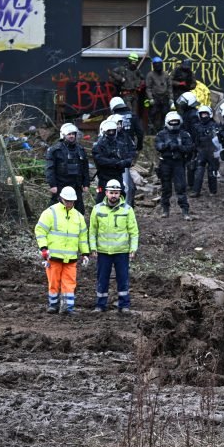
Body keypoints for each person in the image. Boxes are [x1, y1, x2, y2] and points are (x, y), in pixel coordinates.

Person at [35, 186, 90, 315]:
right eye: (67, 201)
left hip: (70, 258)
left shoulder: (78, 216)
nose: (70, 204)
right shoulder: (50, 212)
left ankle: (67, 308)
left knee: (69, 283)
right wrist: (43, 248)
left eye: (72, 201)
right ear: (61, 199)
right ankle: (53, 305)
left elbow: (82, 237)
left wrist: (85, 253)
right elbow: (40, 230)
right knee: (54, 282)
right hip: (53, 256)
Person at [90, 179, 139, 314]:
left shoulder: (127, 210)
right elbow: (92, 231)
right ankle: (100, 305)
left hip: (122, 251)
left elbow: (133, 231)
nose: (113, 195)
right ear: (106, 193)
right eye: (111, 192)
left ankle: (124, 305)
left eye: (116, 193)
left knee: (123, 279)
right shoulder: (97, 209)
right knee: (102, 279)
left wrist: (133, 249)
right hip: (103, 251)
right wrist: (93, 248)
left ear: (120, 194)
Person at [155, 111, 194, 220]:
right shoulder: (161, 134)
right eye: (171, 122)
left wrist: (178, 147)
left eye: (175, 122)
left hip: (178, 163)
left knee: (181, 187)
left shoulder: (184, 134)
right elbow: (158, 146)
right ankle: (165, 210)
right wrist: (167, 145)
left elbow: (190, 147)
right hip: (165, 163)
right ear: (167, 122)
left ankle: (185, 211)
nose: (173, 124)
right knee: (165, 188)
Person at [45, 123, 89, 215]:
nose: (72, 136)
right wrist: (52, 185)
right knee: (56, 211)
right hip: (61, 186)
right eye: (69, 134)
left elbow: (85, 168)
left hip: (76, 186)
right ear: (64, 135)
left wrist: (86, 184)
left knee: (79, 211)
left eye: (73, 134)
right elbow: (50, 168)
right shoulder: (55, 150)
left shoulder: (80, 150)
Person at [92, 118, 135, 204]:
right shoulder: (99, 145)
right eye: (109, 131)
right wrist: (115, 163)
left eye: (113, 131)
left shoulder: (120, 144)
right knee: (101, 198)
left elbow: (129, 157)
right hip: (104, 177)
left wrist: (123, 163)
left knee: (122, 194)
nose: (111, 133)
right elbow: (99, 160)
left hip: (118, 176)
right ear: (104, 132)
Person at [189, 105, 220, 197]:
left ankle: (213, 191)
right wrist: (193, 149)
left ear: (209, 114)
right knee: (199, 171)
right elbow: (193, 139)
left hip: (212, 152)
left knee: (212, 172)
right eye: (202, 114)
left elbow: (218, 140)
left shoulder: (214, 125)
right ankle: (196, 191)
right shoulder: (196, 126)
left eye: (205, 114)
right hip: (200, 151)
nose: (204, 116)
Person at [175, 91, 200, 187]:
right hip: (187, 141)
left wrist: (193, 144)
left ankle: (191, 184)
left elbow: (193, 131)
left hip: (191, 143)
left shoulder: (192, 115)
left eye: (184, 103)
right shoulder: (188, 113)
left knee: (190, 164)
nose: (182, 105)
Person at [145, 56, 172, 134]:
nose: (158, 66)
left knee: (165, 113)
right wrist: (150, 98)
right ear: (153, 65)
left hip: (164, 97)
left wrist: (171, 98)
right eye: (156, 64)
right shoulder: (150, 75)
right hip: (155, 98)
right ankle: (151, 130)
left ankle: (164, 129)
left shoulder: (166, 74)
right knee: (152, 114)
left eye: (159, 64)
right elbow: (148, 88)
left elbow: (170, 87)